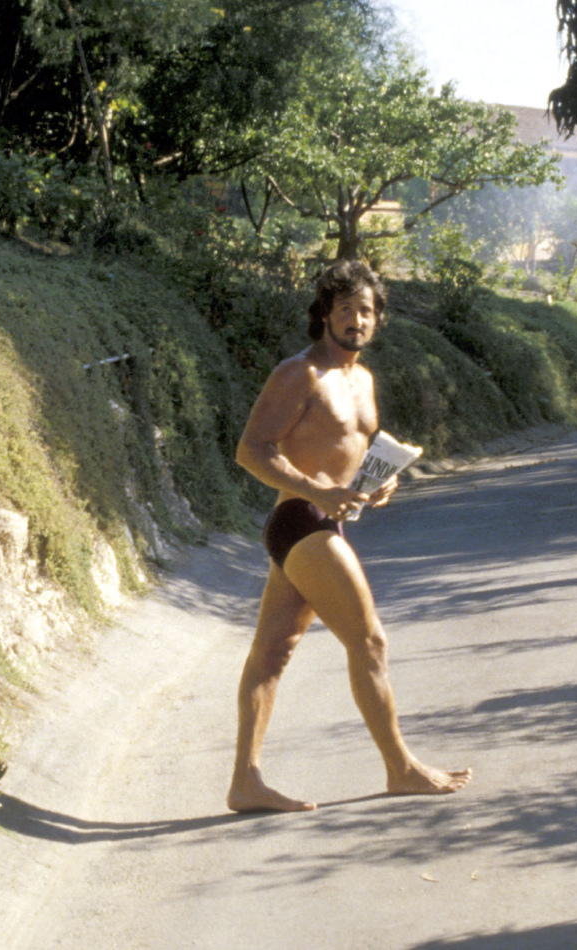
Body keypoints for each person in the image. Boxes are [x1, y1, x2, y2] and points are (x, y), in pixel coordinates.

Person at [226, 260, 472, 812]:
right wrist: (315, 487)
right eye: (345, 310)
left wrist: (376, 485)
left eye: (365, 311)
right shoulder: (300, 374)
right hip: (299, 522)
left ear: (377, 320)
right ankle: (401, 767)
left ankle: (245, 782)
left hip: (324, 523)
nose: (356, 320)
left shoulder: (363, 380)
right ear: (324, 315)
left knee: (271, 655)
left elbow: (350, 453)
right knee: (370, 640)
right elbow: (251, 449)